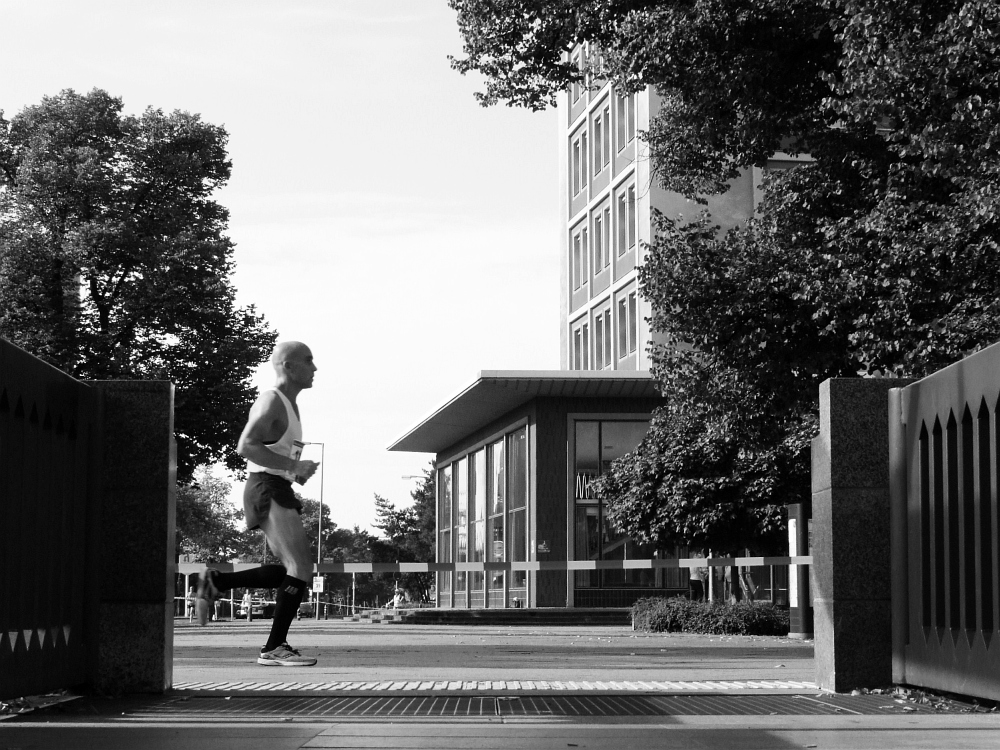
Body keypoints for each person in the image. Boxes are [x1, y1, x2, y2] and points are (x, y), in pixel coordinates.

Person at [195, 341, 320, 667]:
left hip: (273, 484)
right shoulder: (272, 402)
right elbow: (246, 445)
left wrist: (293, 471)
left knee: (290, 571)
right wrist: (293, 467)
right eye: (308, 361)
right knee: (301, 568)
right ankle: (273, 647)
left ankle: (218, 581)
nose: (315, 368)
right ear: (288, 366)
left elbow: (271, 452)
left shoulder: (288, 405)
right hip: (266, 487)